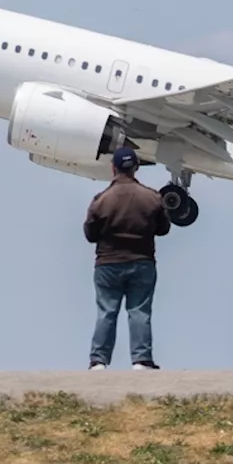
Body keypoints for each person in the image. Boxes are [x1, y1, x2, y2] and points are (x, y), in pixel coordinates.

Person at [82, 147, 172, 370]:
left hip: (108, 264)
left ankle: (98, 361)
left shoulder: (101, 200)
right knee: (139, 311)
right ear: (136, 167)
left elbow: (90, 235)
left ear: (113, 167)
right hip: (142, 262)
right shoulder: (152, 197)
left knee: (106, 312)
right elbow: (164, 229)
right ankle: (141, 360)